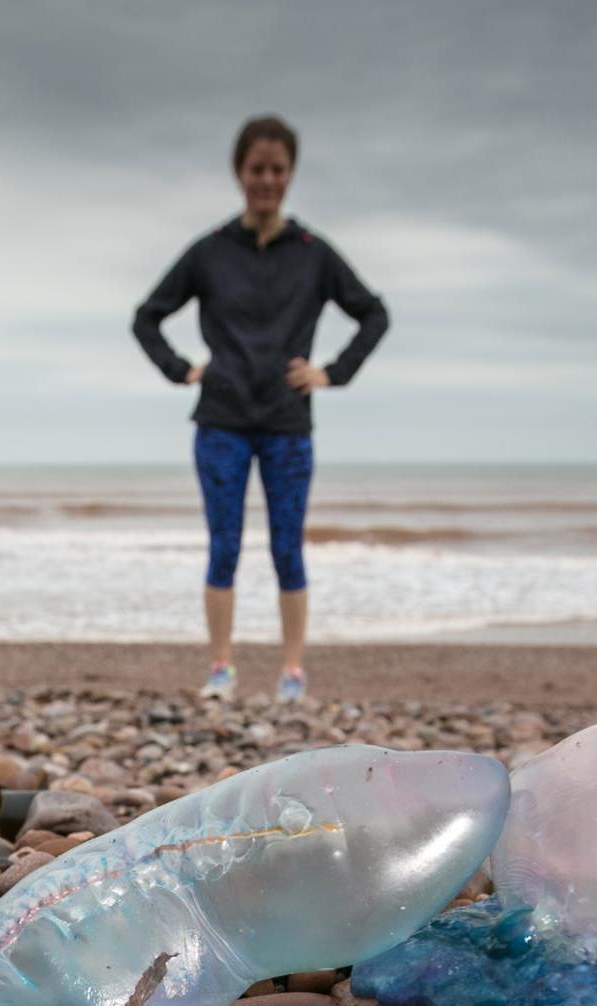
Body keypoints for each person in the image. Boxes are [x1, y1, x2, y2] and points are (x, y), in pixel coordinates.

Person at [132, 114, 389, 702]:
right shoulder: (210, 252)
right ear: (239, 173)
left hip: (286, 425)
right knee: (223, 547)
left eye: (277, 170)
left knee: (286, 549)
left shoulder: (313, 253)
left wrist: (332, 372)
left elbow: (374, 313)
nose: (266, 180)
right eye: (256, 170)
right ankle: (220, 668)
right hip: (220, 422)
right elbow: (146, 317)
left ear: (290, 174)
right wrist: (183, 369)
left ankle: (292, 672)